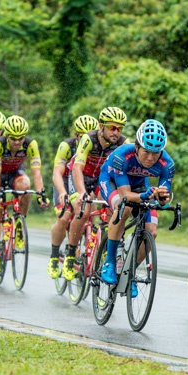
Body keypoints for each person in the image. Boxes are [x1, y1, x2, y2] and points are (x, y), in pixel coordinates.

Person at [98, 119, 175, 296]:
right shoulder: (122, 156)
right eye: (146, 152)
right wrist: (145, 195)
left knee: (152, 231)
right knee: (123, 208)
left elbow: (163, 199)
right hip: (110, 181)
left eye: (155, 154)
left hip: (140, 185)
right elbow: (125, 195)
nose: (150, 158)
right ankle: (109, 262)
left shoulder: (167, 165)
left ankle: (129, 273)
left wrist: (163, 198)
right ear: (137, 146)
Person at [54, 107, 128, 282]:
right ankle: (71, 254)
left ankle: (104, 246)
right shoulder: (88, 139)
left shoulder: (123, 143)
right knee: (83, 209)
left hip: (100, 179)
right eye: (112, 127)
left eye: (119, 128)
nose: (116, 132)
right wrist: (81, 193)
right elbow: (77, 168)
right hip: (79, 177)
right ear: (101, 126)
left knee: (111, 210)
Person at [0, 115, 50, 276]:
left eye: (20, 138)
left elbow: (36, 173)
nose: (17, 142)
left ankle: (19, 224)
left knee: (26, 187)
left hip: (15, 172)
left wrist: (41, 193)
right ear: (7, 135)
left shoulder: (31, 144)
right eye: (13, 138)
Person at [49, 115, 99, 276]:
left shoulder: (97, 145)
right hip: (65, 180)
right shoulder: (67, 146)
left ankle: (90, 242)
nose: (85, 139)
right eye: (81, 135)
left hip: (86, 179)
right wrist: (62, 192)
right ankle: (54, 255)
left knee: (90, 209)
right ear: (75, 135)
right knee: (65, 216)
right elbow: (57, 173)